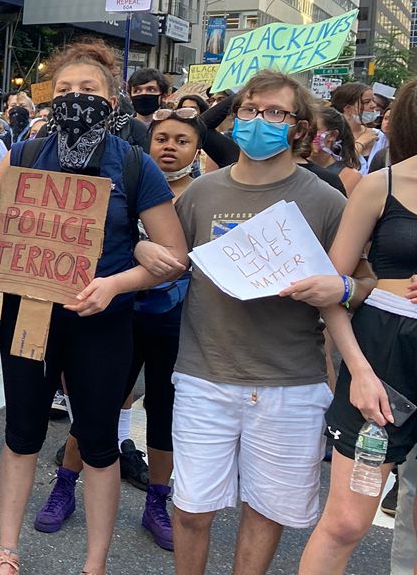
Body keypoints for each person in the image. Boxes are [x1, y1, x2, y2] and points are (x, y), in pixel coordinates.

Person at [0, 41, 187, 575]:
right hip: (29, 315)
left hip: (101, 321)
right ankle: (7, 551)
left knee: (98, 441)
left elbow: (175, 258)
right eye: (67, 89)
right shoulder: (26, 155)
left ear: (113, 97)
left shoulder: (134, 164)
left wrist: (116, 284)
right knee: (22, 432)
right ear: (51, 95)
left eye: (90, 89)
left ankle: (94, 563)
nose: (77, 98)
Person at [172, 70, 354, 575]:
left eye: (276, 113)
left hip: (290, 385)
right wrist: (147, 249)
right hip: (202, 377)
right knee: (189, 511)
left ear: (299, 127)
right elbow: (170, 257)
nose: (259, 122)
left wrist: (343, 289)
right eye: (250, 111)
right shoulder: (200, 194)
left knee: (265, 512)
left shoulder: (325, 201)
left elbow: (357, 284)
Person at [35, 106, 202, 552]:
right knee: (96, 412)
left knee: (164, 416)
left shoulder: (202, 192)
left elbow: (185, 255)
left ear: (198, 149)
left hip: (171, 316)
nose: (170, 147)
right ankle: (65, 485)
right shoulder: (126, 177)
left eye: (182, 140)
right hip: (117, 315)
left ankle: (157, 502)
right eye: (162, 137)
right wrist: (140, 245)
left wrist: (151, 247)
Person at [297, 78, 417, 574]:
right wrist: (358, 369)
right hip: (384, 356)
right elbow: (333, 287)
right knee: (346, 521)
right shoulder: (381, 184)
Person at [331, 82, 387, 173]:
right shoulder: (331, 137)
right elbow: (335, 171)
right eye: (366, 102)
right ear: (347, 108)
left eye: (373, 100)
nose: (373, 105)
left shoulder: (380, 136)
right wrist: (361, 143)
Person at [309, 105, 363, 194]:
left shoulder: (349, 176)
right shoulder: (293, 165)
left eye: (314, 130)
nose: (306, 135)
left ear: (332, 135)